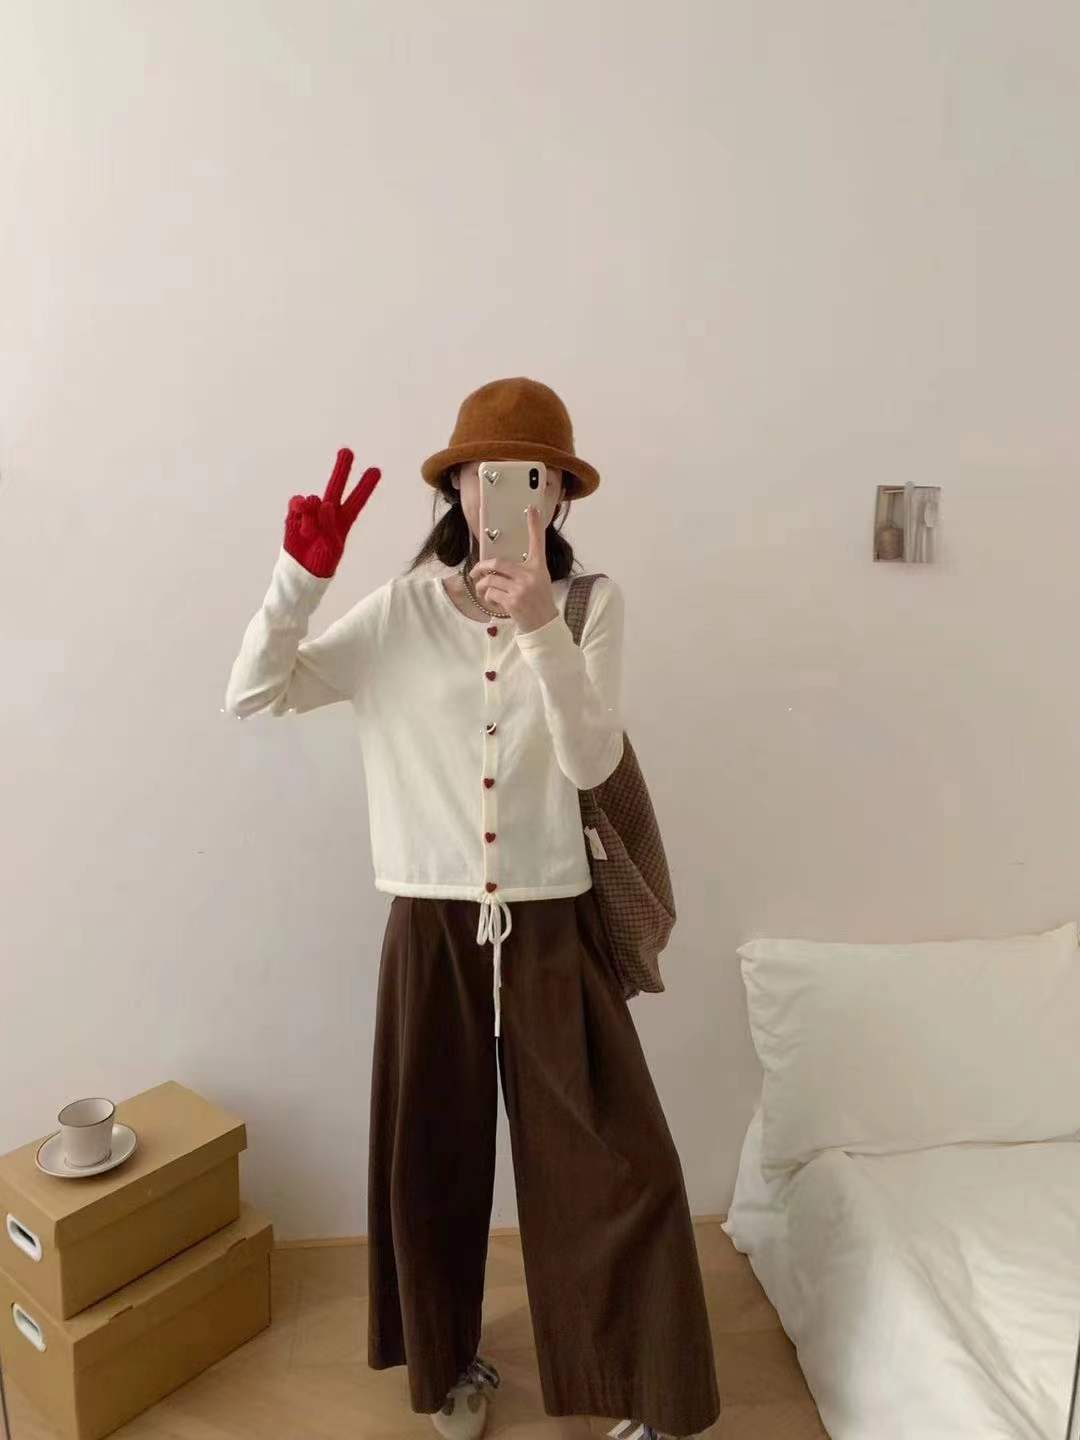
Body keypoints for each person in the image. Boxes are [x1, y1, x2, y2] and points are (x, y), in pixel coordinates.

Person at [224, 377, 721, 1440]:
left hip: (554, 924)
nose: (510, 494)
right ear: (456, 487)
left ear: (560, 495)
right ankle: (447, 1366)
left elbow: (592, 759)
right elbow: (256, 693)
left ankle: (642, 1386)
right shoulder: (401, 612)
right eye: (488, 474)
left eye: (536, 478)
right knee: (431, 1160)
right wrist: (299, 582)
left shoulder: (590, 607)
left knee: (618, 1164)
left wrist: (540, 626)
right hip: (431, 926)